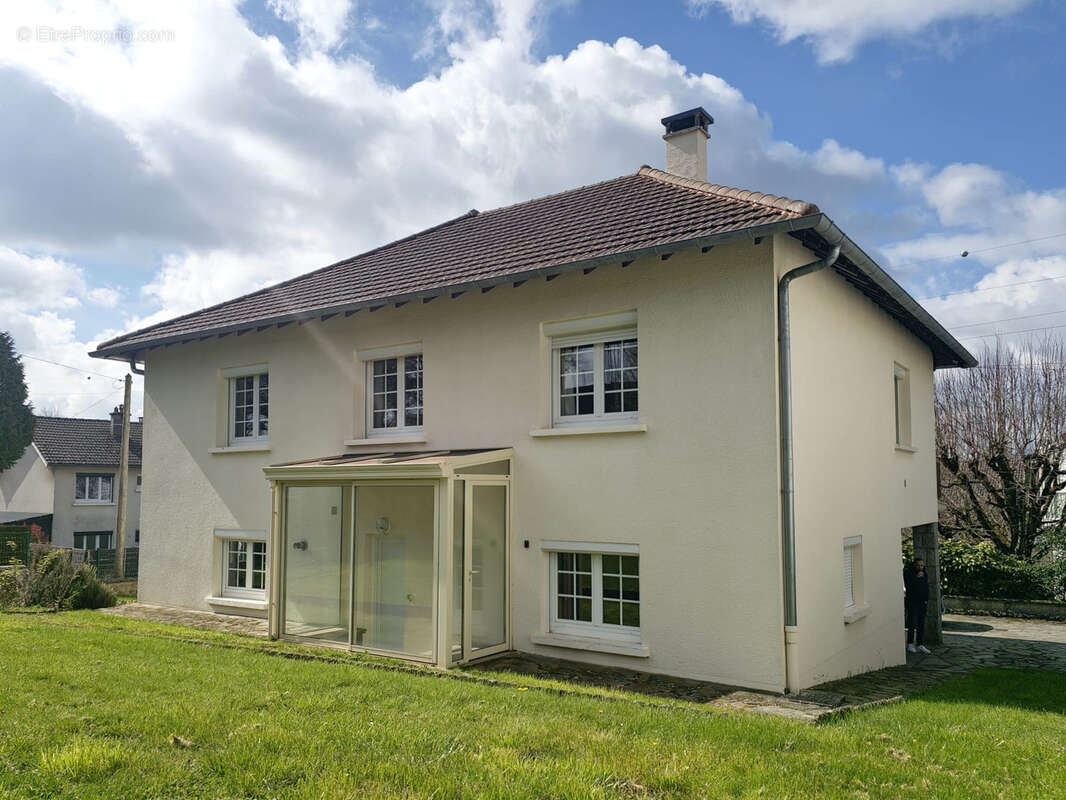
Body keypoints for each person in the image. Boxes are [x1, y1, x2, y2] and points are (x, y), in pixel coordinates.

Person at [904, 558, 931, 654]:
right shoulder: (909, 574)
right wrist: (917, 578)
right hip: (912, 601)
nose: (920, 567)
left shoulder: (925, 574)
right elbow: (909, 586)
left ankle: (920, 644)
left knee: (921, 623)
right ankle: (910, 643)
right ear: (914, 565)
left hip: (922, 602)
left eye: (922, 565)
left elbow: (926, 587)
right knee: (912, 622)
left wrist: (926, 599)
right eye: (918, 565)